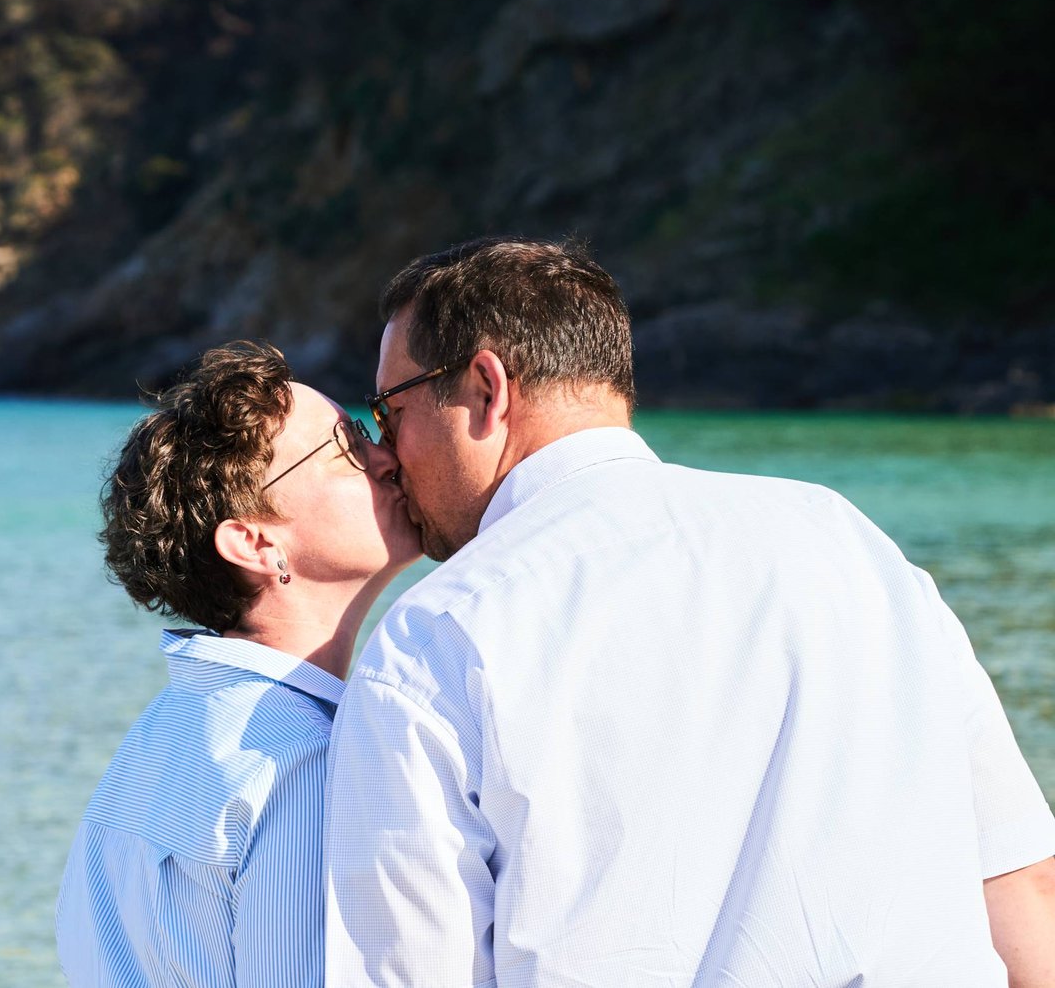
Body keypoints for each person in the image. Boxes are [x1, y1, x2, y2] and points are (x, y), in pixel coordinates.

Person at [324, 236, 1055, 986]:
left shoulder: (437, 634)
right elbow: (1022, 891)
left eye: (389, 410)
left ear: (486, 387)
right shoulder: (852, 545)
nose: (384, 450)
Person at [56, 340, 420, 986]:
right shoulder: (299, 759)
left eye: (368, 435)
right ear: (256, 542)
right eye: (347, 450)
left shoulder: (160, 738)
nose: (388, 459)